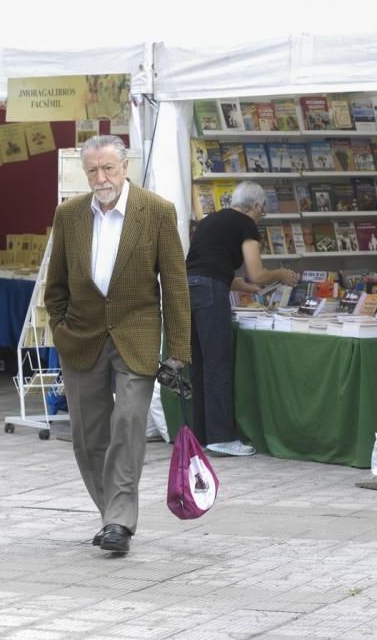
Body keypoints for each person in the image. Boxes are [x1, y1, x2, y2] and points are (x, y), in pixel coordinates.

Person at [44, 134, 190, 554]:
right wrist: (60, 326)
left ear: (125, 167)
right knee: (88, 437)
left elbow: (175, 287)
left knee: (128, 422)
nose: (100, 178)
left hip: (136, 337)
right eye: (92, 170)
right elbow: (55, 287)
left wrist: (178, 350)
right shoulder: (69, 215)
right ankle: (112, 514)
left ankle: (119, 523)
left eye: (108, 168)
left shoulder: (157, 212)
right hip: (81, 338)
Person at [186, 181, 297, 457]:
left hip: (187, 289)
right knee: (218, 363)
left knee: (200, 365)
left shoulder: (210, 221)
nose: (260, 217)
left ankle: (201, 436)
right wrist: (281, 274)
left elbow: (210, 270)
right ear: (257, 206)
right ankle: (222, 437)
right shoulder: (246, 224)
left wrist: (248, 288)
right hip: (210, 291)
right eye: (262, 213)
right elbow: (256, 274)